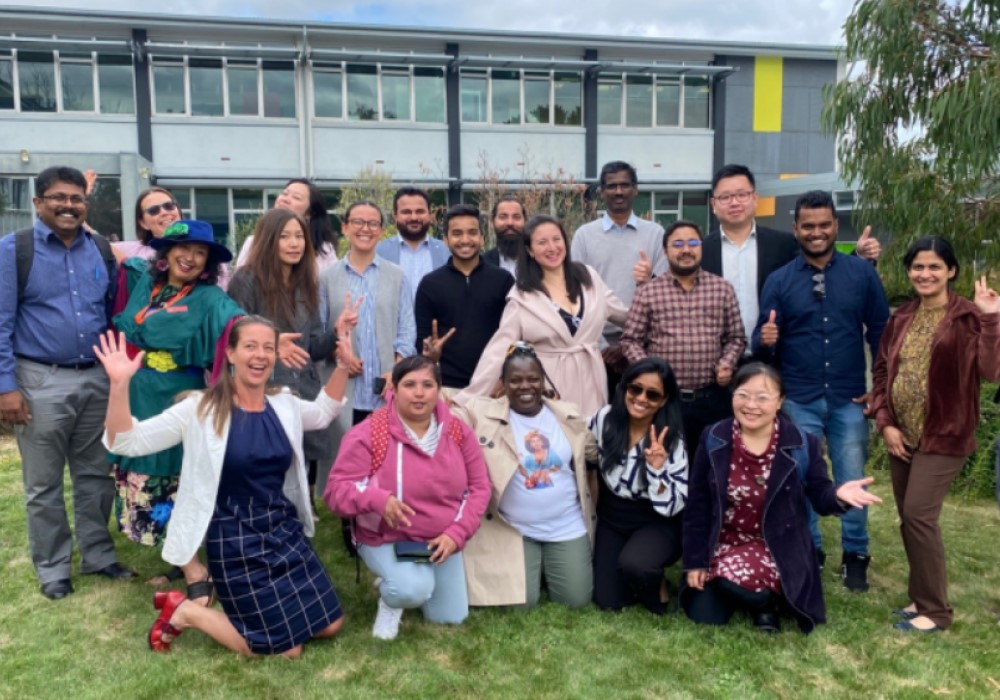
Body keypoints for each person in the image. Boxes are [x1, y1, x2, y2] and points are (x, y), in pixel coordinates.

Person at [99, 316, 353, 656]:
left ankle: (260, 614)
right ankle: (187, 612)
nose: (259, 355)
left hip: (281, 528)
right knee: (286, 650)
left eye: (267, 347)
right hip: (234, 535)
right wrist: (119, 385)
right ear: (231, 353)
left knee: (330, 625)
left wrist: (344, 367)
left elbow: (322, 413)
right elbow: (125, 443)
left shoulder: (284, 404)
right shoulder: (199, 408)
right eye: (250, 346)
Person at [0, 165, 133, 600]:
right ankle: (53, 567)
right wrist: (6, 387)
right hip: (39, 379)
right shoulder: (14, 250)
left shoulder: (100, 248)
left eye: (76, 198)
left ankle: (97, 555)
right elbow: (0, 323)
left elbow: (112, 311)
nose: (68, 205)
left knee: (96, 474)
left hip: (96, 378)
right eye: (58, 197)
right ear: (39, 203)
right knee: (43, 484)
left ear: (85, 205)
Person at [752, 190, 890, 591]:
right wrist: (766, 338)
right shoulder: (778, 280)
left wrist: (879, 385)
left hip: (849, 395)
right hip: (799, 396)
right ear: (795, 229)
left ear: (835, 226)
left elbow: (881, 330)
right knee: (801, 479)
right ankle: (809, 548)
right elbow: (764, 344)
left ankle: (856, 554)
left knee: (852, 478)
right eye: (808, 226)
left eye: (824, 225)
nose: (816, 232)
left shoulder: (861, 274)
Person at [681, 363, 881, 633]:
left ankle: (763, 597)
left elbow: (820, 496)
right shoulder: (714, 437)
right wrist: (695, 561)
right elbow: (698, 504)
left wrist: (838, 496)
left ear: (780, 402)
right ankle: (763, 601)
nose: (751, 405)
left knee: (733, 584)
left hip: (777, 546)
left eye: (762, 397)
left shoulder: (801, 443)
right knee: (705, 614)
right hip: (725, 542)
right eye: (743, 395)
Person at [111, 220, 254, 596]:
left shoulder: (209, 298)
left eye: (200, 252)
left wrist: (261, 340)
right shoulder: (148, 284)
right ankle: (180, 562)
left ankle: (193, 569)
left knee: (175, 478)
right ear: (166, 252)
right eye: (183, 248)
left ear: (208, 262)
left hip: (177, 395)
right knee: (140, 467)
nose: (189, 257)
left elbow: (236, 322)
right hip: (138, 391)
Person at [870, 236, 1000, 632]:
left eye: (934, 267)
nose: (925, 274)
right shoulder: (901, 317)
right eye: (918, 267)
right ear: (909, 272)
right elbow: (880, 373)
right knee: (910, 521)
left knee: (918, 515)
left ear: (951, 271)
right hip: (901, 434)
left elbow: (991, 371)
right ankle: (921, 598)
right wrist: (886, 423)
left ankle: (937, 613)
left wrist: (993, 318)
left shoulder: (969, 317)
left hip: (944, 435)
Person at [325, 355, 490, 640]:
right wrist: (377, 500)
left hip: (439, 541)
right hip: (386, 537)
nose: (419, 392)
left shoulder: (458, 431)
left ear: (439, 390)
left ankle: (403, 577)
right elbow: (335, 491)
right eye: (410, 384)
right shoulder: (369, 433)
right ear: (395, 389)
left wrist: (456, 534)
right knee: (413, 589)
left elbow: (479, 488)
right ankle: (393, 598)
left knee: (450, 618)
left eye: (428, 385)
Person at [453, 342, 596, 608]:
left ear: (543, 381)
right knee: (520, 604)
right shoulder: (481, 412)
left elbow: (596, 453)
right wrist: (431, 363)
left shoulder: (568, 416)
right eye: (515, 380)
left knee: (575, 601)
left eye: (532, 379)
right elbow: (447, 414)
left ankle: (548, 564)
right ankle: (533, 566)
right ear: (502, 384)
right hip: (514, 528)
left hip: (565, 524)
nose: (525, 386)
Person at [228, 208, 350, 500]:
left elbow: (310, 349)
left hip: (302, 389)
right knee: (265, 470)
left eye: (299, 237)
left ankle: (296, 518)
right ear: (269, 240)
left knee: (299, 469)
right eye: (285, 237)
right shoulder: (247, 280)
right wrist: (270, 342)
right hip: (263, 389)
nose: (295, 244)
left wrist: (337, 332)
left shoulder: (305, 282)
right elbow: (233, 334)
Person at [702, 164, 881, 355]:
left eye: (741, 194)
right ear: (713, 204)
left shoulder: (784, 244)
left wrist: (859, 256)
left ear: (755, 199)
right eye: (725, 197)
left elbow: (823, 268)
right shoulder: (700, 251)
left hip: (774, 358)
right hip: (718, 360)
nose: (734, 202)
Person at [458, 215, 627, 416]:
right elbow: (498, 350)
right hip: (551, 386)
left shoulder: (589, 278)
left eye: (557, 239)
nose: (552, 247)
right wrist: (467, 399)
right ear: (529, 250)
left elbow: (627, 316)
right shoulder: (522, 297)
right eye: (542, 242)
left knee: (591, 440)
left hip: (592, 379)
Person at [315, 200, 417, 502]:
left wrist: (396, 370)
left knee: (384, 456)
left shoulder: (396, 275)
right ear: (344, 227)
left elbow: (406, 329)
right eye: (358, 222)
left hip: (384, 384)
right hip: (343, 384)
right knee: (344, 454)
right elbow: (320, 333)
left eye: (373, 223)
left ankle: (382, 506)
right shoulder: (327, 277)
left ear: (382, 231)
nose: (365, 229)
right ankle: (344, 513)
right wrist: (339, 355)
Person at [620, 220, 745, 454]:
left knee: (710, 464)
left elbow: (736, 337)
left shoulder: (722, 289)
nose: (686, 250)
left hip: (710, 398)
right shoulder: (649, 291)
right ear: (666, 250)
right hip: (664, 401)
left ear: (701, 247)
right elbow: (630, 340)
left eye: (692, 243)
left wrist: (727, 363)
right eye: (677, 244)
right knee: (665, 461)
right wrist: (650, 374)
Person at [589, 357, 687, 614]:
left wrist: (657, 470)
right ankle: (635, 573)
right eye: (635, 389)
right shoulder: (604, 419)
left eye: (653, 395)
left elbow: (673, 505)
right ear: (624, 388)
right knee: (607, 600)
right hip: (613, 516)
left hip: (655, 518)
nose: (642, 398)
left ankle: (656, 584)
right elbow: (577, 441)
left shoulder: (671, 439)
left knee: (637, 564)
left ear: (664, 400)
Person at [571, 161, 668, 396]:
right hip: (594, 345)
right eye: (611, 186)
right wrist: (604, 347)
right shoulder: (584, 236)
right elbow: (575, 295)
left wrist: (628, 346)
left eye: (625, 185)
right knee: (598, 419)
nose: (618, 191)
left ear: (635, 189)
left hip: (645, 346)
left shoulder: (655, 234)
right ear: (602, 192)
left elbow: (665, 292)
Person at [415, 204, 514, 389]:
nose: (465, 240)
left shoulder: (503, 281)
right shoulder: (430, 284)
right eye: (457, 233)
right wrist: (430, 354)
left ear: (482, 238)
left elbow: (514, 335)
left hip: (494, 386)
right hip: (446, 387)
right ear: (446, 239)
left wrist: (504, 378)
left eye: (472, 232)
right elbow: (422, 340)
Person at [236, 179, 339, 271]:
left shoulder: (324, 250)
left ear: (309, 213)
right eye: (285, 194)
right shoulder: (254, 242)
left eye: (296, 197)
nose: (285, 199)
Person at [376, 186, 449, 299]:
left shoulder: (446, 252)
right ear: (395, 216)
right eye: (406, 212)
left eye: (420, 211)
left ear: (430, 214)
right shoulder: (379, 253)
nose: (414, 217)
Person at [113, 186, 182, 261]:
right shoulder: (130, 252)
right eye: (153, 210)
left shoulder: (196, 243)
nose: (164, 212)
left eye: (169, 205)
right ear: (143, 223)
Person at [482, 193, 527, 278]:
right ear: (492, 222)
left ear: (525, 221)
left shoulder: (539, 262)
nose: (510, 223)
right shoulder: (482, 265)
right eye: (503, 217)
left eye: (516, 217)